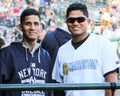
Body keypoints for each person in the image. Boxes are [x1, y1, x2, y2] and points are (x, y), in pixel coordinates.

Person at [52, 3, 120, 96]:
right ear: (66, 22)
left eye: (80, 19)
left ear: (88, 21)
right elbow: (59, 86)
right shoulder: (62, 50)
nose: (75, 23)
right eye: (71, 20)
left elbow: (111, 82)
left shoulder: (102, 43)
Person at [0, 8, 52, 96]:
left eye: (36, 24)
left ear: (40, 27)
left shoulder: (45, 55)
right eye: (28, 24)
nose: (32, 27)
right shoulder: (6, 54)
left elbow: (50, 89)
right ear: (20, 27)